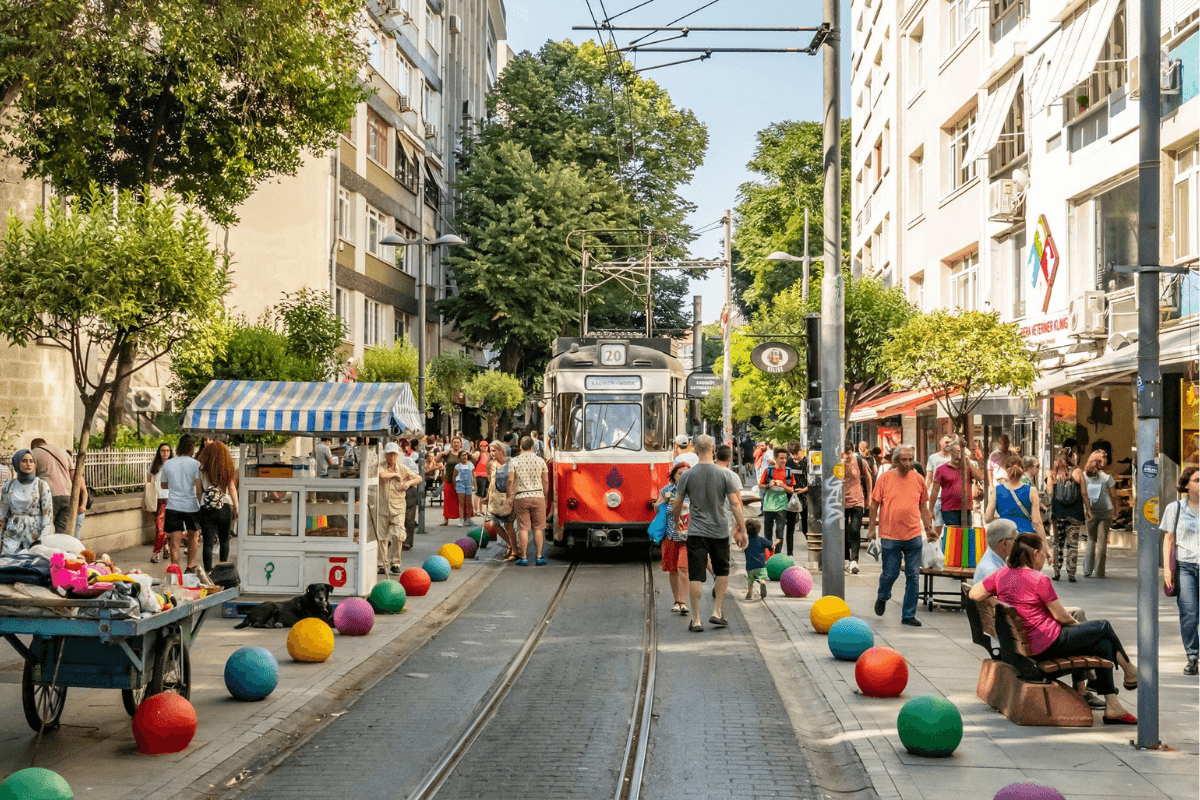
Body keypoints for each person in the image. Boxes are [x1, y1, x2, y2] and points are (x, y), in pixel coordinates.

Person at [969, 532, 1140, 724]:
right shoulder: (1039, 579)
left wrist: (1005, 598)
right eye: (1044, 553)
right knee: (1103, 627)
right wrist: (1081, 628)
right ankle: (1129, 670)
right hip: (1047, 643)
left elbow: (974, 594)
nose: (1046, 557)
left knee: (1102, 643)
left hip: (1027, 644)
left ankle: (1113, 705)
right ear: (1034, 553)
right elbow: (1061, 616)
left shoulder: (1002, 575)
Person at [672, 434, 747, 633]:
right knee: (722, 571)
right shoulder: (725, 475)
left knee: (695, 575)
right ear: (712, 449)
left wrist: (677, 521)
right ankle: (716, 611)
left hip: (696, 532)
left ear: (695, 449)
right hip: (720, 531)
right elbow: (735, 504)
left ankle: (696, 620)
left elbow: (677, 504)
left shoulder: (687, 475)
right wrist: (743, 529)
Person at [867, 444, 934, 627]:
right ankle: (883, 596)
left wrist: (929, 528)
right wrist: (872, 529)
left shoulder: (918, 479)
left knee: (913, 575)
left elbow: (923, 507)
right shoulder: (885, 479)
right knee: (890, 574)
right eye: (904, 460)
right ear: (896, 461)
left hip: (913, 535)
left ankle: (908, 615)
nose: (908, 463)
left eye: (911, 459)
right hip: (890, 535)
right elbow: (874, 506)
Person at [1161, 466, 1199, 676]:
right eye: (1197, 480)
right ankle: (1192, 656)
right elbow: (1169, 538)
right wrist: (1167, 569)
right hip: (1185, 567)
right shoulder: (1174, 508)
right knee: (1189, 613)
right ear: (1186, 485)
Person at [160, 434, 203, 574]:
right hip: (192, 505)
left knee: (174, 541)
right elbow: (198, 488)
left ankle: (175, 568)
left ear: (179, 446)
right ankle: (190, 567)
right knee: (193, 536)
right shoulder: (196, 464)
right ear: (192, 448)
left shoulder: (168, 463)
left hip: (173, 506)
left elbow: (163, 485)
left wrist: (175, 486)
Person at [378, 442, 421, 575]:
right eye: (389, 455)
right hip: (382, 506)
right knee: (382, 537)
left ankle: (395, 562)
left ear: (398, 455)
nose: (391, 458)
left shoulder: (402, 468)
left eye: (394, 455)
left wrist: (408, 483)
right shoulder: (380, 467)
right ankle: (381, 564)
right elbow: (381, 475)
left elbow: (418, 478)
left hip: (398, 507)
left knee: (398, 535)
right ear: (385, 455)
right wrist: (394, 475)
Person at [0, 450, 54, 554]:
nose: (28, 464)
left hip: (34, 535)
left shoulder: (41, 485)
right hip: (12, 535)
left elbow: (48, 515)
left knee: (31, 566)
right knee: (8, 564)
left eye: (31, 461)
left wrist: (43, 541)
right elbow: (2, 514)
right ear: (16, 463)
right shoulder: (9, 486)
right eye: (24, 461)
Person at [986, 456, 1046, 550]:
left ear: (1006, 470)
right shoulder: (1031, 491)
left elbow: (987, 518)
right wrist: (1045, 547)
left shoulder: (997, 490)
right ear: (1023, 470)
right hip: (1026, 538)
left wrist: (1003, 518)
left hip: (1005, 538)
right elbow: (1037, 522)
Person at [197, 441, 239, 574]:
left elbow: (198, 491)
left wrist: (199, 506)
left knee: (208, 542)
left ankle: (208, 571)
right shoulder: (227, 468)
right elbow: (232, 489)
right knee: (224, 540)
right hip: (224, 507)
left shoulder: (201, 469)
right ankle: (222, 569)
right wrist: (236, 507)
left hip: (207, 507)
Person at [509, 436, 549, 566]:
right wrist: (545, 494)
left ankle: (524, 557)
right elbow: (545, 481)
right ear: (533, 447)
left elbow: (510, 480)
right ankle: (539, 557)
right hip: (538, 496)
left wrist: (510, 497)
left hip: (521, 497)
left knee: (523, 528)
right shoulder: (541, 461)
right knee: (538, 528)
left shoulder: (514, 461)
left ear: (520, 447)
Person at [657, 461, 691, 613]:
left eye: (686, 474)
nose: (683, 477)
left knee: (683, 568)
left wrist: (685, 505)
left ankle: (684, 602)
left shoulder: (695, 491)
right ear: (674, 476)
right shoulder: (667, 490)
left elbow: (702, 508)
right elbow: (655, 506)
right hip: (670, 535)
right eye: (680, 474)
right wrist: (664, 501)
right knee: (672, 570)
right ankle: (676, 600)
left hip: (687, 536)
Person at [1048, 449, 1085, 582]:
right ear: (1070, 457)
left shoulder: (1053, 473)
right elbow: (1084, 493)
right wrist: (1089, 509)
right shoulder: (1077, 472)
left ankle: (1056, 571)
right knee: (1072, 544)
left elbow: (1050, 492)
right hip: (1075, 512)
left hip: (1058, 512)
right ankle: (1071, 573)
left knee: (1057, 542)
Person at [929, 441, 983, 530]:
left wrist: (968, 463)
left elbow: (980, 477)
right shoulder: (941, 469)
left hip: (966, 509)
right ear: (951, 453)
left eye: (962, 452)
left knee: (966, 537)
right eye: (957, 452)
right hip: (949, 509)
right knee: (954, 537)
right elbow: (935, 491)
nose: (959, 455)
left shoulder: (968, 467)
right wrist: (931, 510)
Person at [1081, 450, 1117, 578]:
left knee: (1091, 539)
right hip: (1105, 511)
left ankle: (1087, 569)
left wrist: (1086, 509)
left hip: (1090, 511)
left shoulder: (1084, 476)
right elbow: (1113, 495)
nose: (1106, 460)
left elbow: (1083, 493)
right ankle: (1100, 571)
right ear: (1100, 462)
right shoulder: (1107, 477)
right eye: (1105, 458)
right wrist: (1115, 509)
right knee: (1102, 542)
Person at [842, 441, 874, 574]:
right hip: (841, 502)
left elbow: (868, 478)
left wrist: (869, 496)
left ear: (853, 451)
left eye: (848, 454)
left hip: (857, 500)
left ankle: (854, 560)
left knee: (855, 529)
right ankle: (844, 559)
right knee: (842, 531)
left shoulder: (861, 462)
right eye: (844, 454)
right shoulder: (838, 464)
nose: (846, 457)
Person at [758, 449, 797, 555]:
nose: (784, 460)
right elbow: (760, 486)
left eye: (785, 458)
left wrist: (783, 485)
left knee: (779, 532)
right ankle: (769, 555)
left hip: (782, 506)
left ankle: (778, 556)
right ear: (775, 458)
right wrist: (768, 485)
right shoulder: (768, 471)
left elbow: (792, 490)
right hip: (768, 505)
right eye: (781, 458)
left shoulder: (789, 472)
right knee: (768, 533)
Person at [30, 437, 73, 533]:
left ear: (34, 446)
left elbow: (30, 477)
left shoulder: (34, 453)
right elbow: (73, 476)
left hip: (48, 495)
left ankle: (45, 547)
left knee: (44, 528)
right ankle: (61, 547)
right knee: (62, 530)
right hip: (67, 495)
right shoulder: (63, 452)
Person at [487, 442, 519, 561]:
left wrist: (511, 498)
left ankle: (515, 551)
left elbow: (513, 481)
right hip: (496, 498)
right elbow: (492, 481)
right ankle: (510, 544)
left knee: (508, 525)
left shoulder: (511, 462)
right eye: (491, 451)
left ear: (501, 450)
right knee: (493, 524)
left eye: (494, 451)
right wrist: (486, 496)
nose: (492, 453)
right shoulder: (492, 464)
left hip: (507, 497)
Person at [148, 443, 173, 563]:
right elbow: (148, 484)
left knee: (160, 527)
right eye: (163, 450)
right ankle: (166, 548)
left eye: (168, 450)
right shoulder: (154, 465)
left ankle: (155, 552)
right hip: (156, 499)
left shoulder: (173, 465)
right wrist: (145, 499)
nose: (165, 453)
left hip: (168, 499)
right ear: (159, 452)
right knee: (159, 527)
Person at [973, 518, 1019, 583]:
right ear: (1004, 543)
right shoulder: (991, 571)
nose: (1017, 544)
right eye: (1016, 540)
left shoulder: (992, 555)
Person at [926, 435, 955, 535]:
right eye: (946, 442)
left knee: (952, 527)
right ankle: (936, 547)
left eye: (950, 442)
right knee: (937, 525)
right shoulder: (933, 458)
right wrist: (925, 495)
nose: (948, 444)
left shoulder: (955, 457)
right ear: (940, 442)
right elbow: (929, 478)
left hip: (952, 498)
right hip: (938, 497)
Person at [785, 440, 809, 555]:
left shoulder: (807, 462)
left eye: (796, 454)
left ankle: (814, 550)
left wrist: (804, 489)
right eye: (792, 454)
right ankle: (790, 554)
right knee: (790, 527)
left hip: (805, 498)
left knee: (805, 527)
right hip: (791, 496)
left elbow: (814, 482)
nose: (795, 457)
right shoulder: (789, 462)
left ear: (801, 451)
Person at [441, 436, 468, 525]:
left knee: (462, 501)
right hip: (449, 480)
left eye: (457, 442)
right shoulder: (448, 453)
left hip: (461, 481)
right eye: (454, 442)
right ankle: (446, 520)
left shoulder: (464, 454)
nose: (456, 444)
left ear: (461, 444)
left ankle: (463, 519)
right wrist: (441, 453)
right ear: (451, 444)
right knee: (447, 501)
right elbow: (436, 459)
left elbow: (474, 460)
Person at [743, 518, 771, 600]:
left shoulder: (746, 540)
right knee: (761, 578)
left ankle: (750, 594)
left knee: (750, 581)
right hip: (761, 565)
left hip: (750, 566)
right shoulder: (761, 540)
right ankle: (762, 583)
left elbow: (742, 548)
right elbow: (770, 545)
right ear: (759, 530)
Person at [453, 450, 476, 528]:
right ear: (459, 457)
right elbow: (454, 476)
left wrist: (475, 485)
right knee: (461, 503)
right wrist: (455, 485)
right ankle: (461, 520)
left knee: (469, 503)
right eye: (462, 455)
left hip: (469, 485)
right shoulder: (458, 466)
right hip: (460, 484)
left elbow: (474, 476)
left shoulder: (471, 465)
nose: (464, 457)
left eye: (465, 455)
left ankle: (468, 519)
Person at [471, 439, 490, 516]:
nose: (485, 447)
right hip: (479, 475)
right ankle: (476, 510)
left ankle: (482, 510)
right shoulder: (478, 453)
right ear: (480, 446)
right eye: (483, 446)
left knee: (484, 494)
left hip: (486, 476)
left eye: (486, 446)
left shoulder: (488, 454)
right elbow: (472, 458)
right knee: (479, 493)